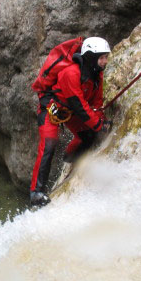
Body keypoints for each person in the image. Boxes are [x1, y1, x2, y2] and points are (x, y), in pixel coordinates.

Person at [29, 37, 111, 206]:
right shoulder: (71, 73)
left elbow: (96, 103)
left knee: (88, 136)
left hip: (70, 112)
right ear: (90, 56)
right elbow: (79, 104)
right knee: (49, 145)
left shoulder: (96, 75)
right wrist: (98, 124)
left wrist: (101, 121)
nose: (105, 61)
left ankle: (70, 158)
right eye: (102, 57)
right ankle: (36, 192)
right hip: (51, 109)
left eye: (105, 57)